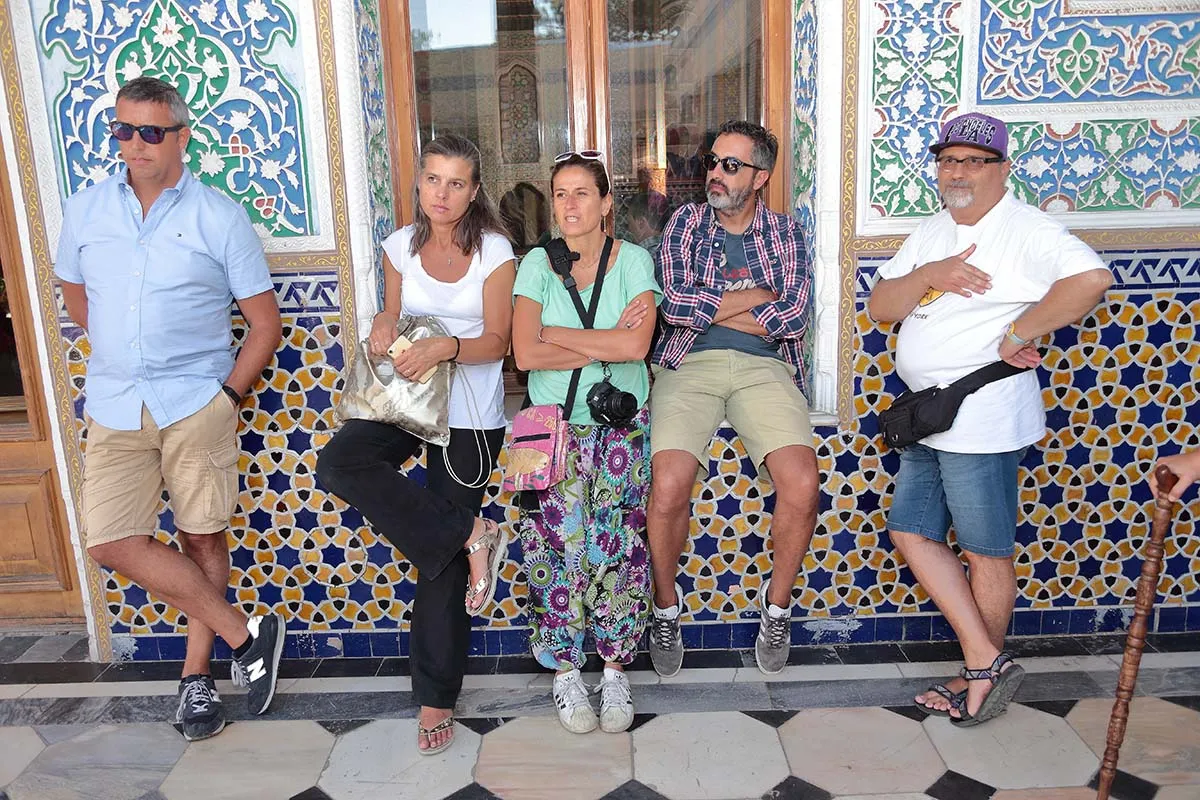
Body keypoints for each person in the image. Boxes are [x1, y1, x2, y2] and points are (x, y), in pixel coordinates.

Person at [54, 76, 286, 741]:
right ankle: (248, 638)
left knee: (201, 537)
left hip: (196, 404)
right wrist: (125, 351)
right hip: (116, 402)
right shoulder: (86, 211)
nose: (133, 145)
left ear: (182, 136)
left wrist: (227, 399)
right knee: (109, 539)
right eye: (121, 130)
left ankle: (196, 684)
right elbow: (75, 295)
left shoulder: (218, 215)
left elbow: (263, 324)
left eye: (149, 132)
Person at [868, 112, 1113, 726]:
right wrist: (930, 275)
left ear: (1002, 168)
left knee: (985, 551)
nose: (958, 171)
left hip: (981, 415)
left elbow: (1092, 279)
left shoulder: (1025, 229)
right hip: (929, 414)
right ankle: (984, 659)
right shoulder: (932, 231)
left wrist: (1020, 331)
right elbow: (879, 308)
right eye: (949, 159)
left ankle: (978, 672)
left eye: (974, 161)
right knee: (911, 531)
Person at [315, 134, 516, 755]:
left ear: (474, 190)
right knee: (340, 461)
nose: (443, 194)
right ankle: (468, 531)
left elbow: (499, 342)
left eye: (457, 183)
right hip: (407, 405)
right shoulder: (400, 247)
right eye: (433, 180)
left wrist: (446, 346)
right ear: (419, 183)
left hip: (472, 414)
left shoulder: (496, 251)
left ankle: (435, 698)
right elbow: (391, 317)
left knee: (439, 565)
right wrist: (381, 323)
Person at [646, 120, 817, 677]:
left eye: (730, 166)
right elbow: (674, 307)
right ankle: (665, 607)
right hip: (688, 363)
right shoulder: (684, 223)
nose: (714, 175)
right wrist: (754, 302)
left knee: (802, 484)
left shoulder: (785, 232)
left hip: (764, 369)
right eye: (711, 163)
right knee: (669, 485)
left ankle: (777, 606)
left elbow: (793, 318)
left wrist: (718, 302)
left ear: (761, 177)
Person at [511, 151, 662, 734]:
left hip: (620, 429)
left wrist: (556, 333)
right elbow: (525, 354)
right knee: (556, 551)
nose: (569, 205)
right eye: (560, 194)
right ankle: (566, 676)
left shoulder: (635, 263)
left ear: (605, 203)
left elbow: (635, 348)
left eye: (581, 193)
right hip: (553, 429)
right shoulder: (535, 266)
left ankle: (614, 669)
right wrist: (600, 340)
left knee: (618, 546)